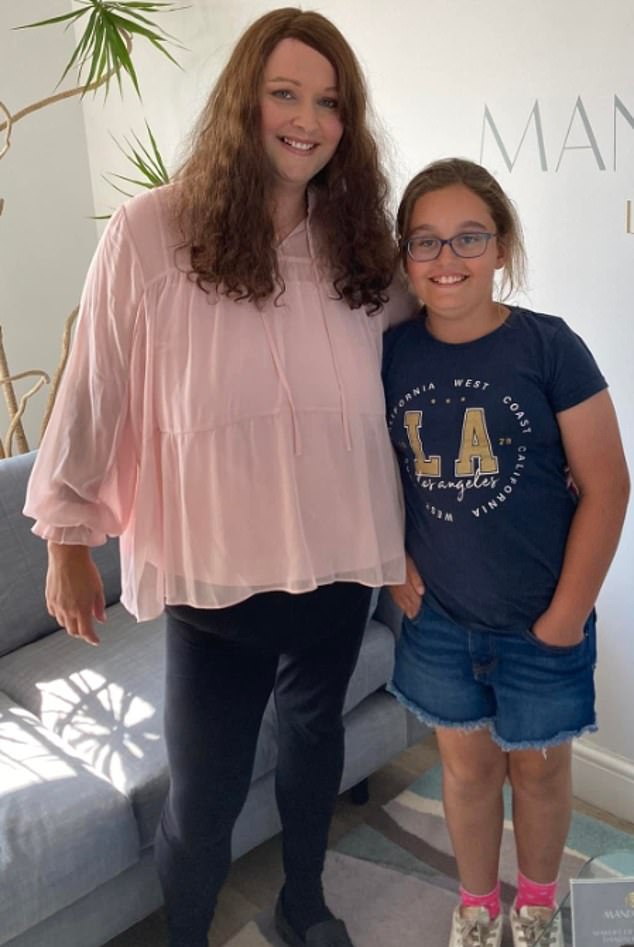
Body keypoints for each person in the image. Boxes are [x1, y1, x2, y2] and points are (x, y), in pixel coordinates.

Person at [23, 9, 414, 947]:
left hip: (339, 559)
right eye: (285, 92)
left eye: (329, 102)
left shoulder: (362, 245)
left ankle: (301, 902)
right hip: (217, 572)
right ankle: (188, 933)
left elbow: (439, 347)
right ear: (245, 100)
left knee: (315, 747)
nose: (307, 119)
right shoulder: (153, 231)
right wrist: (67, 535)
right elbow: (96, 383)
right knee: (205, 792)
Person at [383, 157, 630, 947]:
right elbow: (360, 473)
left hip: (542, 621)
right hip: (441, 623)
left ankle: (536, 901)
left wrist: (566, 615)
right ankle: (479, 904)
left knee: (540, 770)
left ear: (501, 247)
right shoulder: (388, 356)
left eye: (468, 238)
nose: (446, 259)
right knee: (467, 771)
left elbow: (608, 485)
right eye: (425, 241)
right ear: (405, 256)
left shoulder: (549, 347)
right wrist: (393, 559)